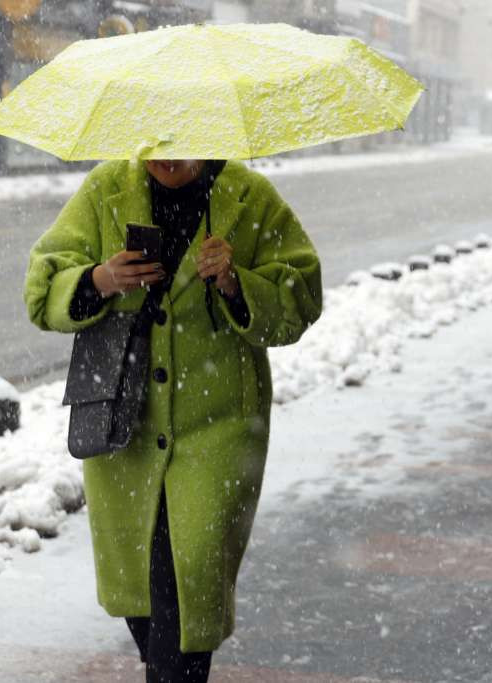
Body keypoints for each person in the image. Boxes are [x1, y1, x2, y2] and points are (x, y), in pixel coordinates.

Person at [24, 157, 322, 682]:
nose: (166, 155)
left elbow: (302, 295)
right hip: (125, 419)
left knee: (192, 580)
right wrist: (99, 278)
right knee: (142, 591)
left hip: (221, 426)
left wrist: (236, 281)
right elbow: (41, 286)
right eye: (155, 142)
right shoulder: (106, 189)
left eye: (181, 143)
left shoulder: (248, 197)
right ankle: (165, 665)